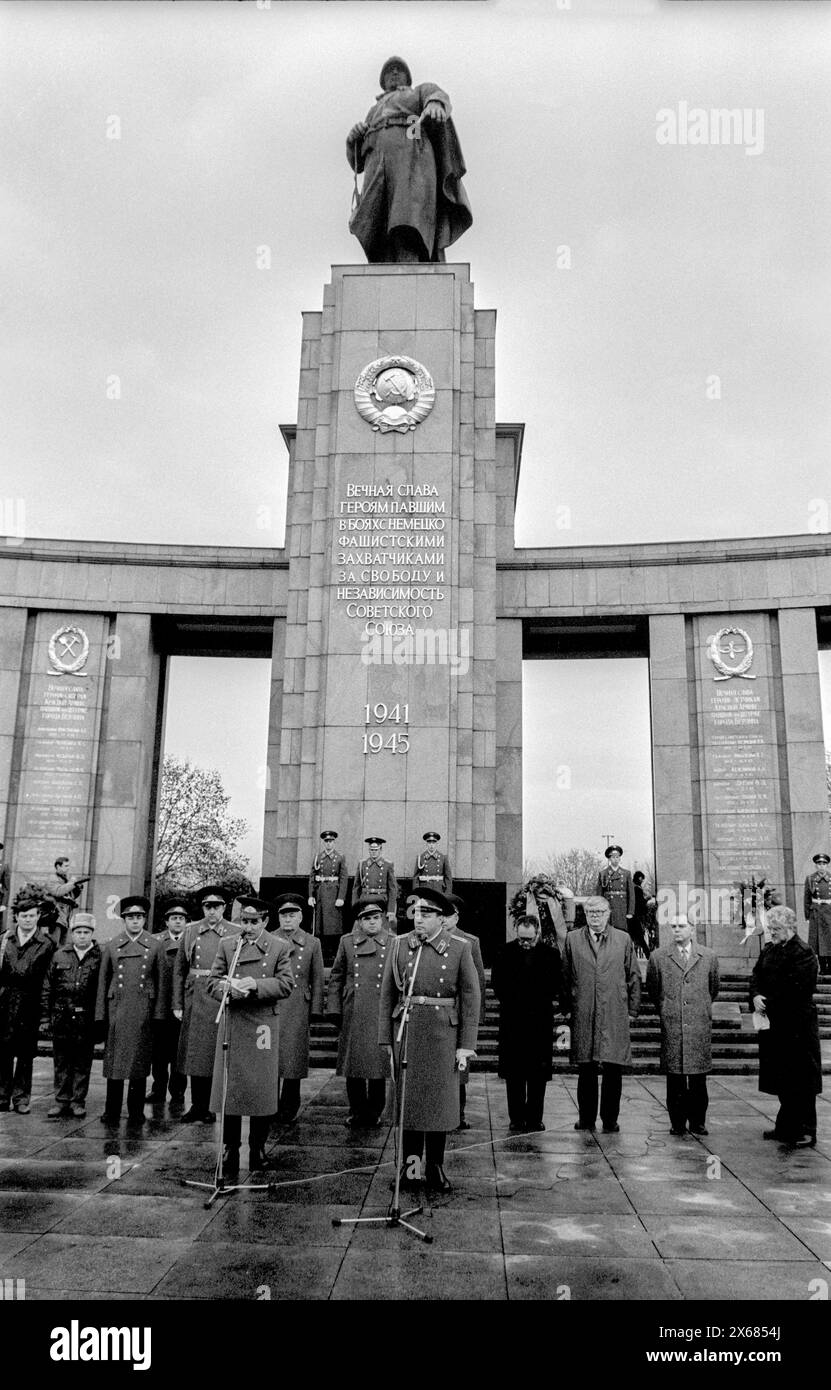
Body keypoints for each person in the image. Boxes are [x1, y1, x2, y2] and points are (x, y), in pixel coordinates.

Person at [379, 887, 480, 1194]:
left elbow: (470, 996)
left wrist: (467, 1043)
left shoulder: (460, 948)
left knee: (438, 1103)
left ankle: (434, 1166)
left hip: (442, 1035)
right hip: (408, 1031)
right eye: (416, 913)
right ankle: (409, 1167)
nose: (418, 919)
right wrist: (385, 1038)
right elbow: (387, 994)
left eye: (426, 914)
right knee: (409, 1102)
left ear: (441, 918)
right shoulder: (399, 946)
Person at [346, 56, 472, 264]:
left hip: (412, 156)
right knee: (377, 220)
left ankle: (409, 262)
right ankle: (385, 265)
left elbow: (436, 94)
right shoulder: (373, 111)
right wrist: (353, 141)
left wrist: (435, 105)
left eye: (399, 69)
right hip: (377, 164)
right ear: (383, 80)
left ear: (407, 76)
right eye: (389, 70)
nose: (394, 72)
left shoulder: (417, 92)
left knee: (407, 216)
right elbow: (357, 163)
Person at [207, 897, 294, 1175]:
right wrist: (226, 989)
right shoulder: (228, 945)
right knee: (230, 1089)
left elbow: (286, 984)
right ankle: (230, 1147)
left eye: (254, 922)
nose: (248, 927)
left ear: (265, 922)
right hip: (233, 1022)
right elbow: (212, 981)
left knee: (261, 1090)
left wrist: (255, 985)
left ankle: (257, 1147)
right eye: (244, 921)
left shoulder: (279, 947)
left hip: (262, 1026)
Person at [562, 895, 641, 1133]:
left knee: (612, 1068)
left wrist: (633, 1011)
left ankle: (610, 1120)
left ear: (608, 914)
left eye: (599, 913)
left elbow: (633, 976)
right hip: (584, 1011)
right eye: (590, 913)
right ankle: (586, 1119)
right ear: (584, 915)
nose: (595, 917)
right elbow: (565, 976)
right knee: (586, 1068)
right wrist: (567, 1008)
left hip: (614, 1011)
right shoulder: (573, 940)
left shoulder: (623, 939)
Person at [750, 904, 822, 1147]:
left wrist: (767, 1001)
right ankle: (786, 1126)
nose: (772, 932)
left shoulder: (803, 953)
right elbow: (756, 976)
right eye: (770, 928)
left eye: (776, 928)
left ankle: (806, 1130)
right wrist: (755, 995)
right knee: (784, 1079)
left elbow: (797, 991)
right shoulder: (770, 949)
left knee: (803, 1080)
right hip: (775, 1027)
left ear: (790, 927)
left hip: (797, 1029)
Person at [646, 914, 720, 1137]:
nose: (677, 930)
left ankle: (698, 1122)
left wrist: (700, 1009)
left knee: (698, 1077)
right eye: (673, 926)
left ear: (692, 929)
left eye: (682, 926)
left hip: (698, 1024)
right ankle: (677, 1123)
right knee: (675, 1077)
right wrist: (667, 1009)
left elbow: (713, 987)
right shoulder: (658, 957)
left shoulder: (708, 956)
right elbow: (653, 988)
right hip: (673, 1024)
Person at [173, 885, 238, 1124]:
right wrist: (177, 1003)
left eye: (217, 906)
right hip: (195, 997)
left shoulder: (234, 931)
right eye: (208, 906)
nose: (212, 911)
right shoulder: (191, 931)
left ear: (224, 907)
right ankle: (197, 1105)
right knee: (195, 1054)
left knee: (214, 1054)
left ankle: (211, 1105)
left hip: (220, 995)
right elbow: (179, 970)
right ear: (202, 908)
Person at [491, 915, 563, 1133]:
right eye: (521, 939)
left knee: (537, 1076)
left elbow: (555, 985)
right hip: (513, 1020)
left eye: (529, 939)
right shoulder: (504, 952)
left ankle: (534, 1118)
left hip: (539, 1021)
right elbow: (497, 984)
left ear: (537, 934)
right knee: (514, 1075)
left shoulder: (550, 955)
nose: (525, 943)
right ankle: (516, 1118)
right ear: (516, 931)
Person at [95, 895, 161, 1127]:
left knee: (138, 1064)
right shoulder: (112, 945)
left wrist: (158, 1014)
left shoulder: (155, 945)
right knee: (114, 1065)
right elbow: (104, 982)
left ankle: (136, 1111)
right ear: (123, 919)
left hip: (143, 1009)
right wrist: (100, 1015)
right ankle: (111, 1111)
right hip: (117, 1009)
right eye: (131, 917)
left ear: (144, 919)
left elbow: (160, 981)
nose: (135, 921)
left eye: (139, 917)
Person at [326, 898, 393, 1126]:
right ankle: (356, 1110)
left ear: (382, 919)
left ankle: (374, 1112)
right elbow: (336, 976)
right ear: (359, 922)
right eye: (367, 919)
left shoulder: (394, 942)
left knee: (377, 1064)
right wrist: (334, 1009)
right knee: (353, 1065)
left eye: (376, 918)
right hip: (353, 1010)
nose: (372, 923)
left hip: (381, 1011)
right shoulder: (347, 942)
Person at [271, 894, 325, 1123]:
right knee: (270, 1058)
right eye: (284, 915)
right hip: (272, 1004)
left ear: (301, 917)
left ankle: (289, 1105)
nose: (288, 919)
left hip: (298, 1006)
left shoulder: (312, 943)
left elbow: (318, 978)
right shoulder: (270, 939)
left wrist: (315, 1010)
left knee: (293, 1059)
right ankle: (269, 1105)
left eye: (292, 915)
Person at [43, 910, 101, 1118]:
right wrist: (45, 1016)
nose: (82, 935)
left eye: (86, 932)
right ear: (72, 934)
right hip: (62, 1017)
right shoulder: (59, 955)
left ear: (92, 933)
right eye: (78, 932)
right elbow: (47, 986)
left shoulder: (99, 956)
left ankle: (78, 1101)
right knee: (61, 1061)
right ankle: (61, 1100)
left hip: (86, 1019)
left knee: (82, 1062)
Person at [0, 896, 55, 1112]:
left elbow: (47, 979)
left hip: (30, 1004)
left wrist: (44, 1013)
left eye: (32, 916)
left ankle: (21, 1099)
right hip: (5, 1003)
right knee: (2, 1051)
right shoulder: (4, 940)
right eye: (24, 916)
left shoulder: (47, 944)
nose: (28, 920)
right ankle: (2, 1096)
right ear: (16, 917)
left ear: (38, 917)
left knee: (25, 1054)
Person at [443, 892, 485, 1129]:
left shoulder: (470, 942)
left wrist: (477, 1017)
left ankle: (458, 1115)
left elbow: (477, 982)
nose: (444, 920)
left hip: (460, 1013)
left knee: (459, 1071)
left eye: (448, 915)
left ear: (456, 917)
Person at [146, 900, 189, 1109]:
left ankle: (178, 1091)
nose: (178, 922)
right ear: (167, 922)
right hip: (161, 1006)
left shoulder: (191, 941)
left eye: (181, 919)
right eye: (174, 918)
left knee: (180, 1053)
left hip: (183, 1005)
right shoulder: (156, 942)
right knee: (160, 1054)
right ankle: (158, 1088)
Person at [308, 830, 348, 966]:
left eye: (331, 841)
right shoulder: (318, 858)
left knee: (333, 925)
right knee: (320, 925)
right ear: (323, 842)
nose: (328, 843)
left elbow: (343, 878)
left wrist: (341, 897)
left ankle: (333, 953)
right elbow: (312, 878)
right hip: (320, 893)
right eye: (326, 841)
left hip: (334, 893)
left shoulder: (340, 857)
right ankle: (322, 952)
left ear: (334, 842)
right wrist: (310, 895)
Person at [351, 837, 398, 923]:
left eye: (376, 850)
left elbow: (392, 889)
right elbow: (356, 887)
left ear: (380, 850)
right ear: (369, 850)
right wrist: (355, 906)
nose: (373, 852)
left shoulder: (388, 865)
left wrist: (391, 910)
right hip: (365, 900)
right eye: (371, 850)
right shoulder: (362, 864)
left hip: (381, 901)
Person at [595, 846, 635, 934]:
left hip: (622, 909)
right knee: (607, 933)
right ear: (609, 859)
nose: (615, 859)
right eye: (613, 857)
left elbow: (631, 894)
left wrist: (630, 912)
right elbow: (599, 895)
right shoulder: (603, 873)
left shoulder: (626, 873)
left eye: (617, 857)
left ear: (620, 858)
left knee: (621, 933)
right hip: (608, 908)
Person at [803, 851, 831, 976]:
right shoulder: (810, 879)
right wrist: (807, 915)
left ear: (827, 865)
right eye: (819, 864)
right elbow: (807, 898)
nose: (821, 866)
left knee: (829, 939)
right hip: (816, 912)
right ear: (816, 866)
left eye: (824, 864)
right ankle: (823, 967)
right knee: (818, 941)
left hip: (829, 912)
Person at [631, 871, 657, 957]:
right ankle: (648, 955)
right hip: (636, 917)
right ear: (639, 878)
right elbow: (640, 904)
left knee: (636, 937)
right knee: (640, 937)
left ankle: (647, 954)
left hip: (632, 916)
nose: (642, 881)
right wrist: (647, 898)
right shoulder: (637, 889)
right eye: (642, 879)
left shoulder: (632, 888)